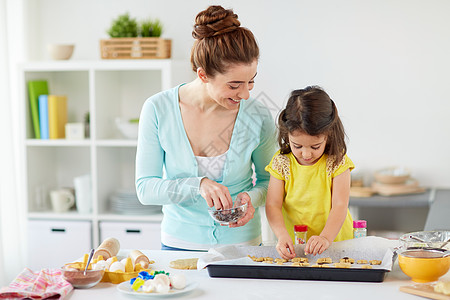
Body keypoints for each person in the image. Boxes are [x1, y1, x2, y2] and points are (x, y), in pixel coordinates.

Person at [135, 5, 276, 251]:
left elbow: (269, 181)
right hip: (178, 245)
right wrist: (198, 184)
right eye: (234, 85)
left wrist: (251, 198)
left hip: (243, 245)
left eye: (250, 81)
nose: (244, 94)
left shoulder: (258, 115)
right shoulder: (158, 109)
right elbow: (145, 188)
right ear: (203, 75)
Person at [265, 86, 354, 259]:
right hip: (298, 247)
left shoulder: (337, 162)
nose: (306, 154)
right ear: (286, 134)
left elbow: (340, 205)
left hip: (337, 244)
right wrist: (282, 235)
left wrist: (325, 237)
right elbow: (272, 205)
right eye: (297, 146)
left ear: (328, 134)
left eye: (315, 146)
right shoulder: (281, 162)